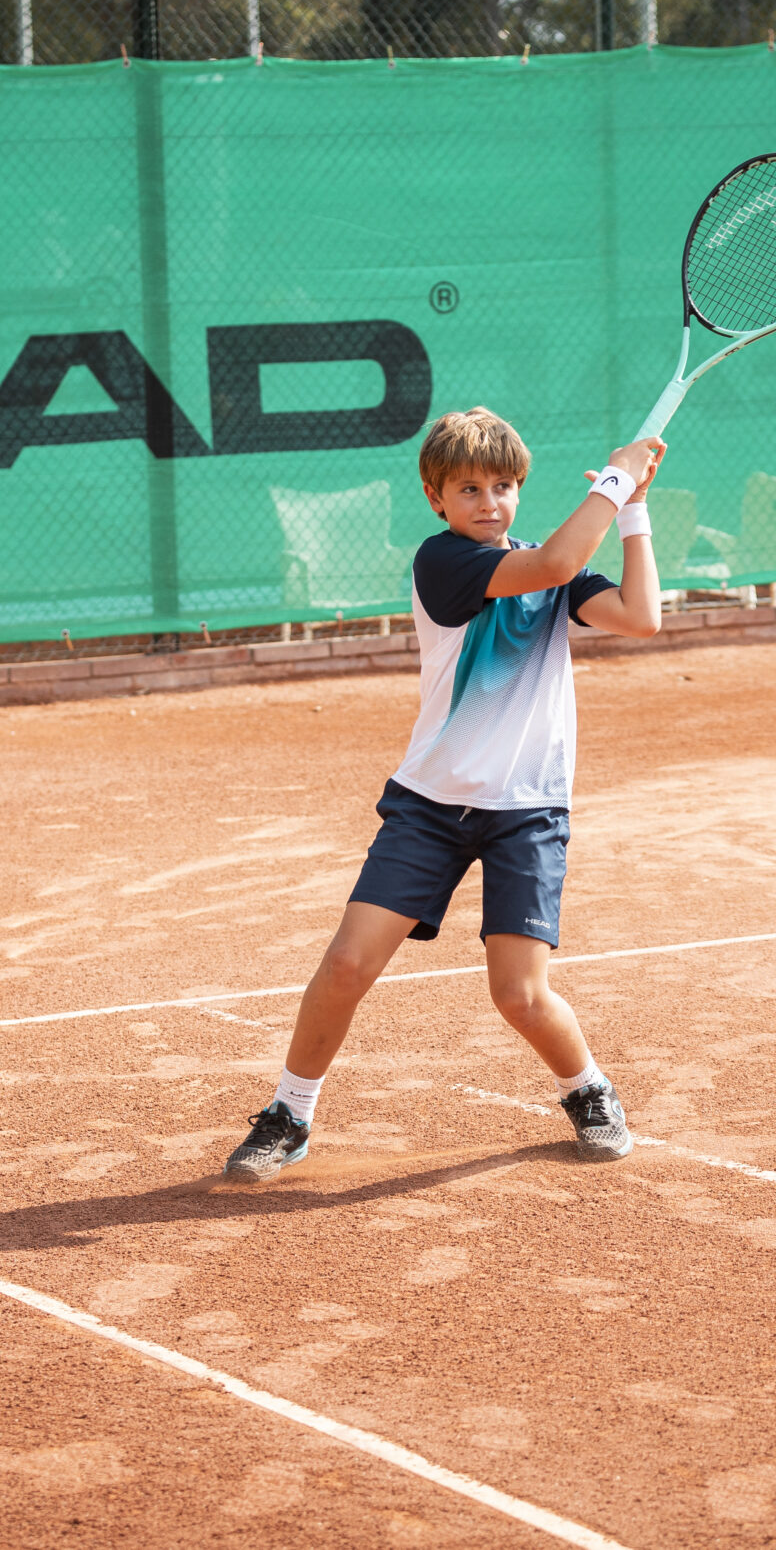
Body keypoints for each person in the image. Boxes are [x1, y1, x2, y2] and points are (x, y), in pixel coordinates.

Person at [225, 409, 666, 1181]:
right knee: (346, 965)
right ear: (437, 498)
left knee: (521, 996)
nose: (489, 502)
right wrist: (614, 477)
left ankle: (588, 1089)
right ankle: (290, 1111)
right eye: (469, 489)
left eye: (503, 486)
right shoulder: (445, 562)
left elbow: (641, 617)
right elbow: (559, 563)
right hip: (430, 806)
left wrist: (633, 511)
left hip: (527, 811)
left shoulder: (550, 569)